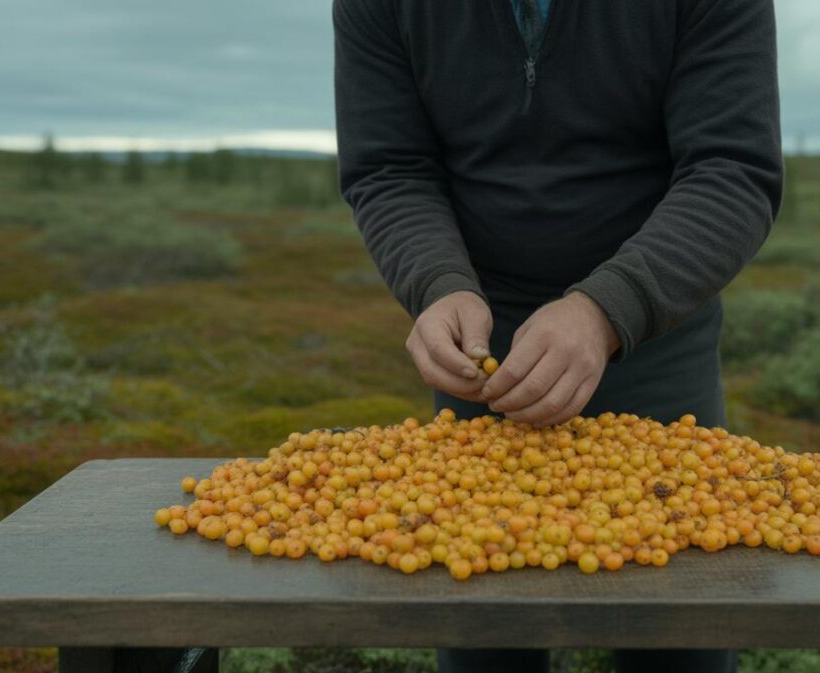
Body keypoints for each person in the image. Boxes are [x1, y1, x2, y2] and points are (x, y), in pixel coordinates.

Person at [334, 0, 782, 671]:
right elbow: (390, 167)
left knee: (679, 631)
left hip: (654, 329)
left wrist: (607, 307)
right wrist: (437, 284)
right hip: (484, 357)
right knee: (485, 633)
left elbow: (733, 169)